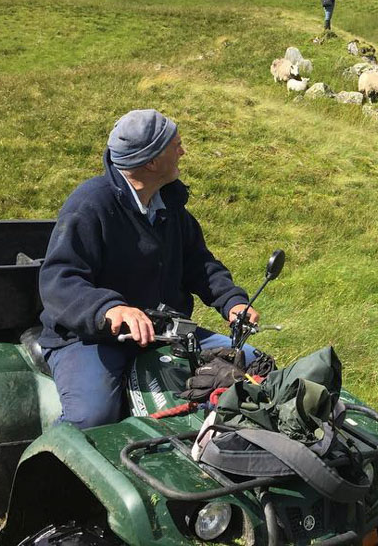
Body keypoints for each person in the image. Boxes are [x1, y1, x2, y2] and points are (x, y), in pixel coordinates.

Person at [38, 109, 258, 429]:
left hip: (164, 331)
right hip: (90, 338)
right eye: (176, 146)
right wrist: (112, 310)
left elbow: (199, 262)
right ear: (152, 161)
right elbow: (59, 279)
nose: (183, 152)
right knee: (92, 417)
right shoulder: (91, 204)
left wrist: (231, 301)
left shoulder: (168, 204)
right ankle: (49, 471)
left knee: (252, 363)